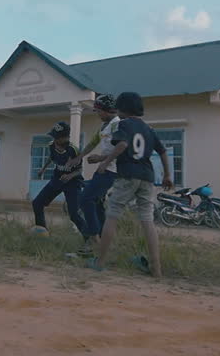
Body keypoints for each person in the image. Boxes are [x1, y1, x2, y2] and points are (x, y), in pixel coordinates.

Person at [87, 92, 172, 278]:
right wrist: (167, 175)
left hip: (127, 175)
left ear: (122, 109)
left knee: (113, 214)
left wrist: (105, 162)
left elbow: (122, 145)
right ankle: (156, 268)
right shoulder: (148, 129)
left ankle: (99, 262)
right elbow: (163, 152)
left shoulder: (124, 124)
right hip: (147, 177)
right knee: (147, 219)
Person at [63, 94, 120, 256]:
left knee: (85, 199)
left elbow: (122, 148)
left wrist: (100, 158)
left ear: (106, 110)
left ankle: (93, 239)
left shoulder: (117, 125)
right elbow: (93, 143)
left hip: (112, 170)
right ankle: (102, 241)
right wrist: (78, 158)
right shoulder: (104, 126)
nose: (98, 114)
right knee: (96, 203)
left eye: (99, 111)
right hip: (104, 169)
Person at [32, 121, 87, 236]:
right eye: (54, 137)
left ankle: (89, 238)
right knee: (37, 203)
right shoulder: (51, 145)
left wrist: (69, 176)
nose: (55, 140)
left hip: (73, 183)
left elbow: (79, 170)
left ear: (65, 137)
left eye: (58, 138)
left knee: (74, 214)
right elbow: (51, 158)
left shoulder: (74, 150)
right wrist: (43, 169)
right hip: (57, 180)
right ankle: (42, 232)